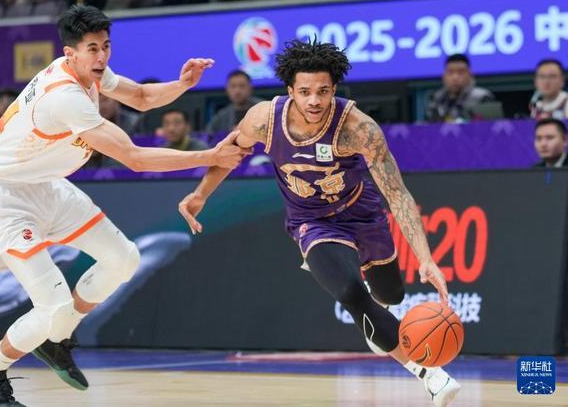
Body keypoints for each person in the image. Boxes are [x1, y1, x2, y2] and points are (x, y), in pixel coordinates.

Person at [0, 4, 249, 407]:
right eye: (93, 49)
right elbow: (134, 158)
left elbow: (141, 97)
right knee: (53, 306)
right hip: (1, 199)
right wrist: (209, 156)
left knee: (123, 258)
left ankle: (56, 339)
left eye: (106, 46)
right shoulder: (64, 97)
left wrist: (183, 84)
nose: (101, 57)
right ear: (70, 54)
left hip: (43, 185)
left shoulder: (87, 72)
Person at [179, 39, 460, 407]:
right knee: (351, 294)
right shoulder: (264, 119)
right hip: (311, 221)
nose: (314, 100)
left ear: (335, 89)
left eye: (323, 91)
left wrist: (425, 258)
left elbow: (398, 194)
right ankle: (431, 375)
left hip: (361, 213)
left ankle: (379, 313)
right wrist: (200, 194)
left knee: (391, 295)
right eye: (305, 92)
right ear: (290, 90)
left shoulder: (358, 128)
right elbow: (229, 153)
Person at [425, 54, 494, 123]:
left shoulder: (482, 97)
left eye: (460, 72)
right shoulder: (436, 98)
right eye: (450, 72)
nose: (455, 77)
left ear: (470, 74)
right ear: (444, 75)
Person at [205, 70, 263, 134]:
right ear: (227, 89)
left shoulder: (264, 109)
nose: (237, 91)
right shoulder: (221, 117)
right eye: (233, 86)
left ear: (250, 88)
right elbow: (208, 136)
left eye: (242, 86)